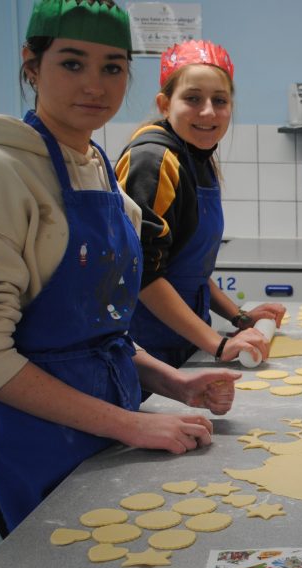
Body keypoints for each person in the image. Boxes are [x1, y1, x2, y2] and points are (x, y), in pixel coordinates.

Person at [0, 0, 241, 537]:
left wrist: (174, 383)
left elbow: (101, 325)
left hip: (107, 425)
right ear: (32, 65)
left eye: (112, 67)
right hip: (32, 436)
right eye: (72, 63)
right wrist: (131, 423)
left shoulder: (96, 169)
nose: (95, 84)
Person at [117, 40, 285, 368]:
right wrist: (218, 344)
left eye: (219, 100)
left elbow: (186, 269)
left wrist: (238, 318)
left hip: (182, 340)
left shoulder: (197, 157)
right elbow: (143, 275)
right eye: (193, 98)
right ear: (164, 104)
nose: (208, 111)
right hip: (144, 347)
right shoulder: (153, 160)